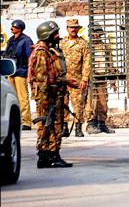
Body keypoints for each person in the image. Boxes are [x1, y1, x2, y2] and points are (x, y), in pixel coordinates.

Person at [29, 21, 78, 168]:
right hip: (48, 96)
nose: (57, 36)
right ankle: (52, 155)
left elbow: (53, 75)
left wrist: (65, 82)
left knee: (47, 126)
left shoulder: (49, 51)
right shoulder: (41, 53)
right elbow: (43, 79)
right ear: (46, 35)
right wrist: (45, 100)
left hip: (53, 94)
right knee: (52, 125)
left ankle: (45, 155)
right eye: (54, 33)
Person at [59, 19, 91, 138]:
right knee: (63, 104)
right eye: (71, 27)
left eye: (75, 27)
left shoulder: (83, 44)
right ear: (67, 28)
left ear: (78, 29)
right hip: (63, 80)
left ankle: (78, 127)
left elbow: (87, 62)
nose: (73, 29)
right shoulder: (61, 43)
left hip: (77, 80)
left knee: (78, 105)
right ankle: (64, 127)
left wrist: (84, 79)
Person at [4, 20, 34, 130]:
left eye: (14, 26)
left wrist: (29, 73)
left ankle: (26, 122)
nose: (11, 28)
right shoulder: (11, 40)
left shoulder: (26, 40)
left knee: (22, 98)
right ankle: (15, 121)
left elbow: (30, 57)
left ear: (19, 28)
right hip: (10, 72)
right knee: (12, 98)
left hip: (21, 72)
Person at [86, 26, 116, 134]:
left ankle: (102, 123)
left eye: (97, 33)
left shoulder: (105, 47)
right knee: (92, 102)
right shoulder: (87, 46)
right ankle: (91, 123)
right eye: (94, 33)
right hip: (91, 78)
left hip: (102, 77)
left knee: (103, 102)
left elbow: (110, 63)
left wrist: (113, 80)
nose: (96, 35)